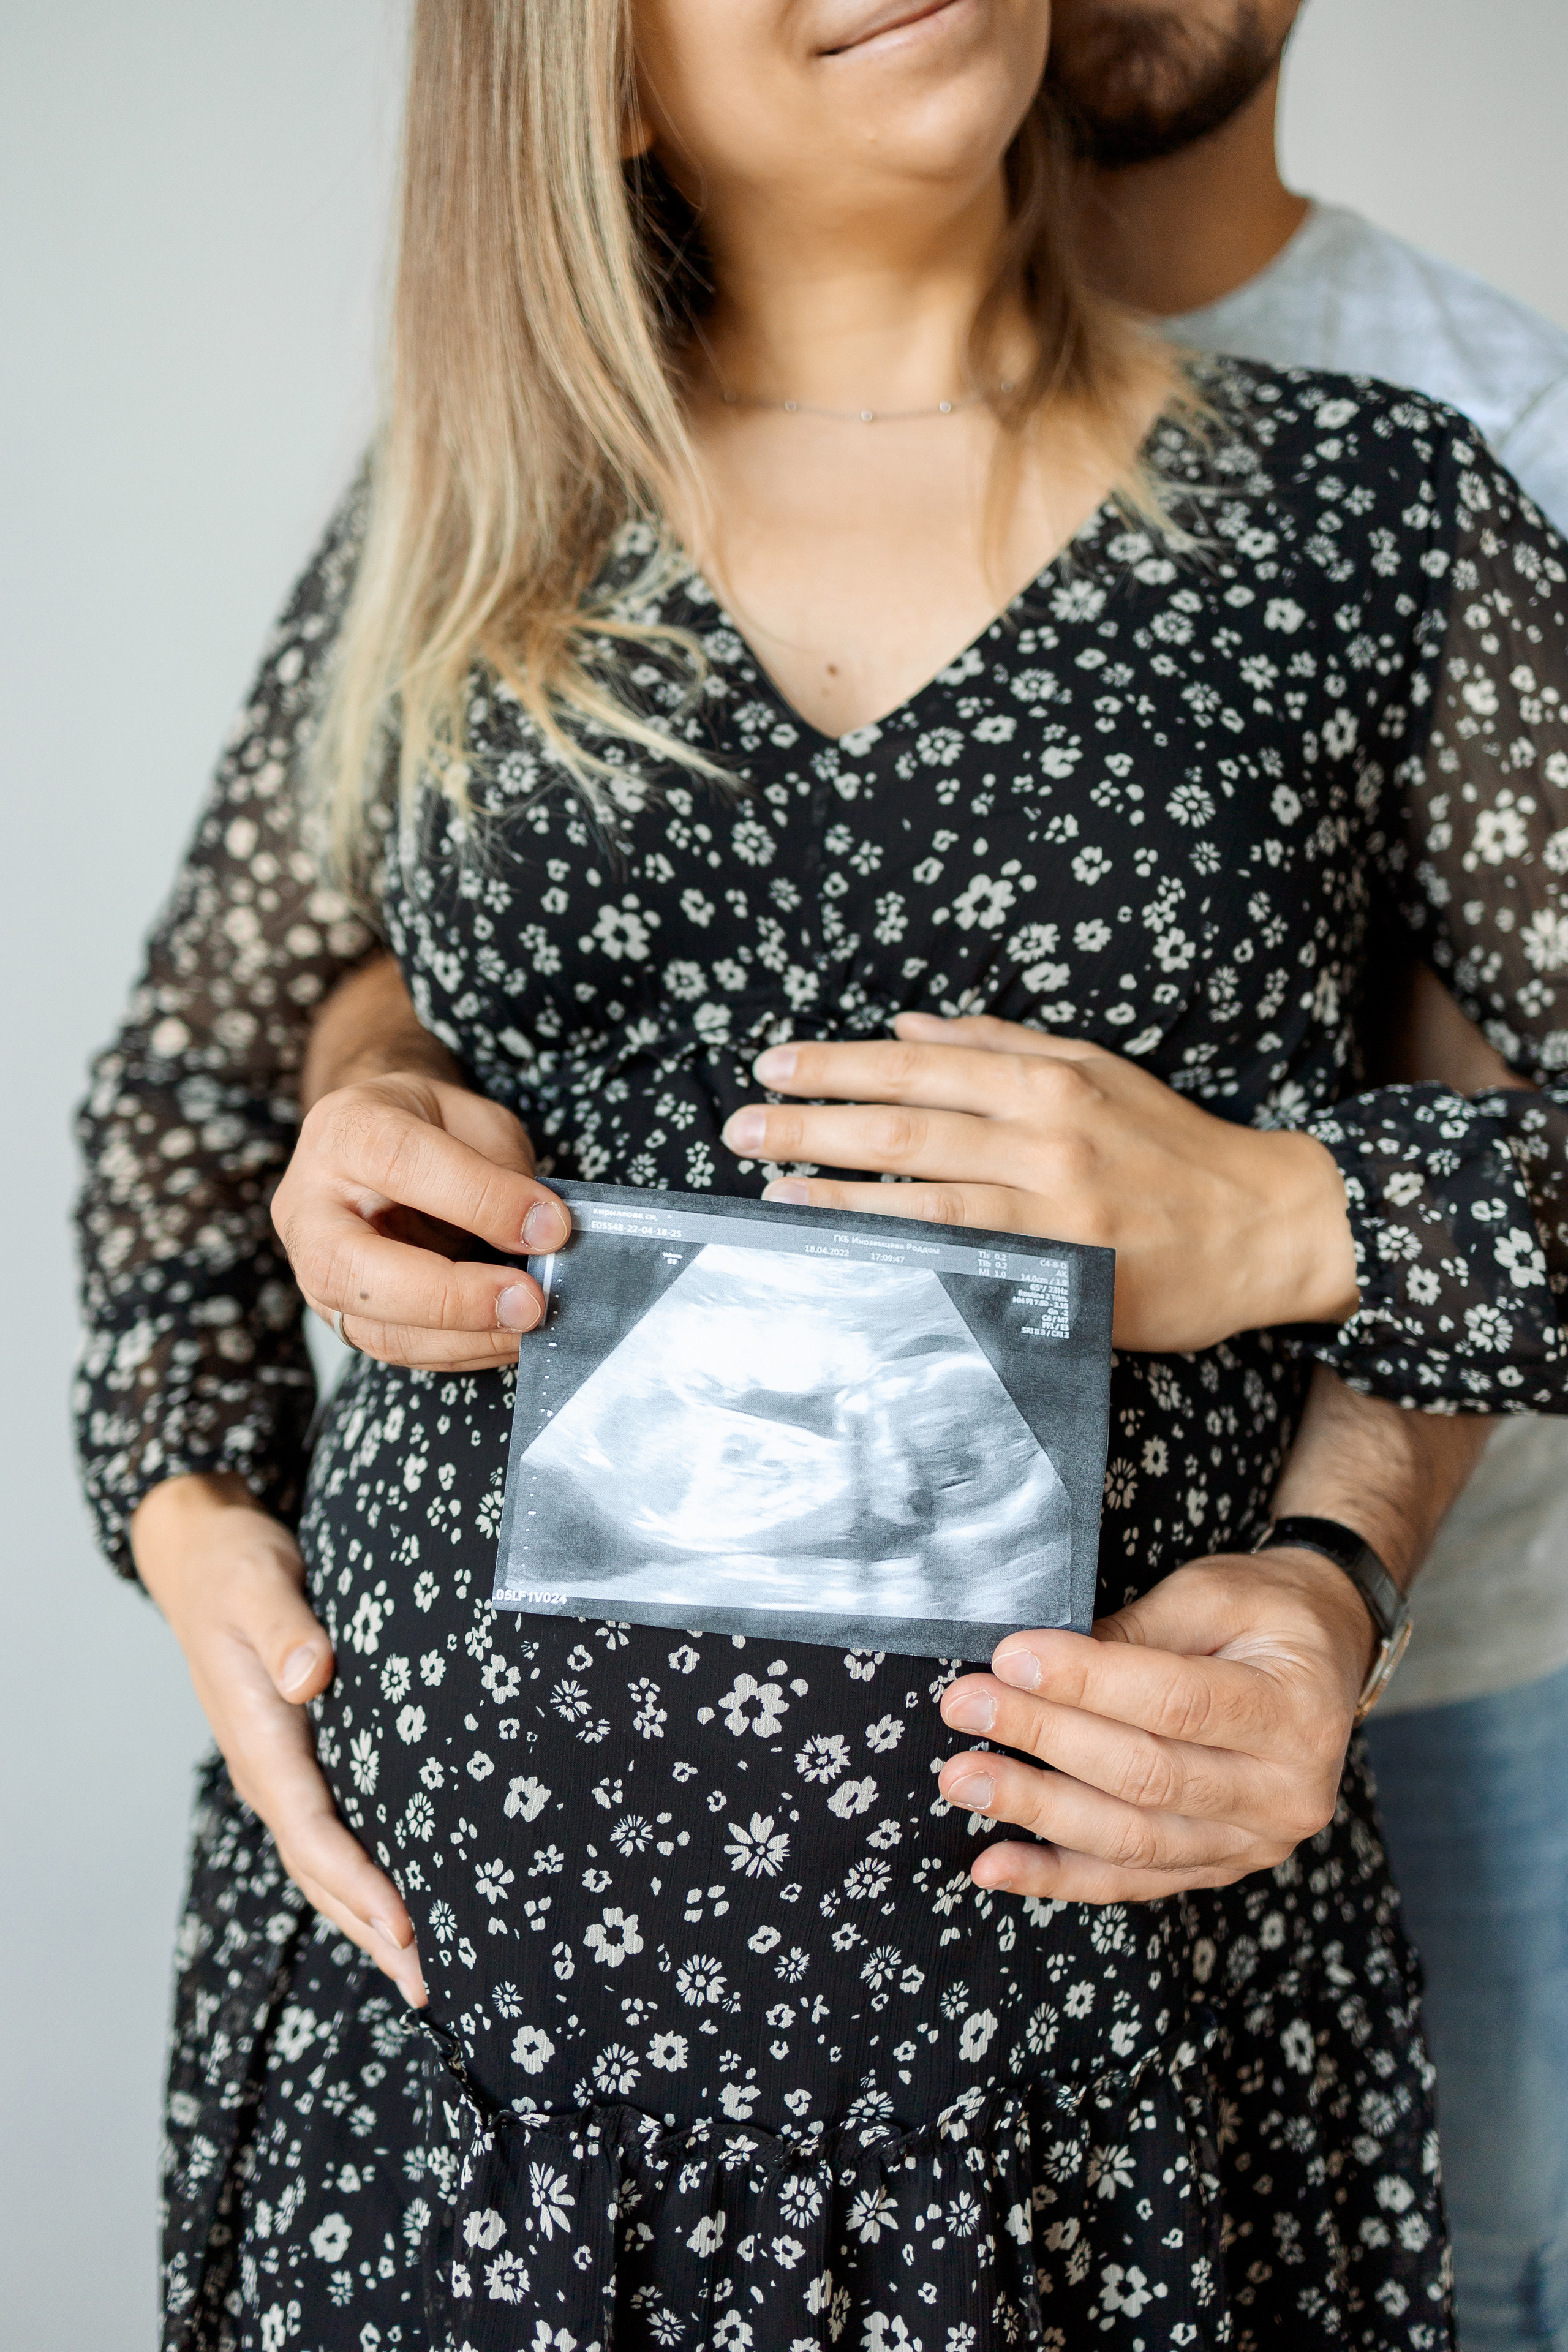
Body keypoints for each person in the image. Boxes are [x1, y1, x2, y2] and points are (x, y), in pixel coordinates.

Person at [72, 1, 1568, 2343]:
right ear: (605, 68)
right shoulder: (468, 531)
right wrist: (191, 1518)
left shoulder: (1372, 519)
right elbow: (183, 1086)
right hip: (462, 2075)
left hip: (1086, 2090)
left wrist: (1295, 1227)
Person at [1041, 5, 1568, 2342]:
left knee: (1444, 2272)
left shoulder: (1483, 427)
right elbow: (386, 937)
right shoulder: (681, 380)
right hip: (939, 1725)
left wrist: (1277, 1233)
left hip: (1453, 1668)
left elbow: (1498, 1075)